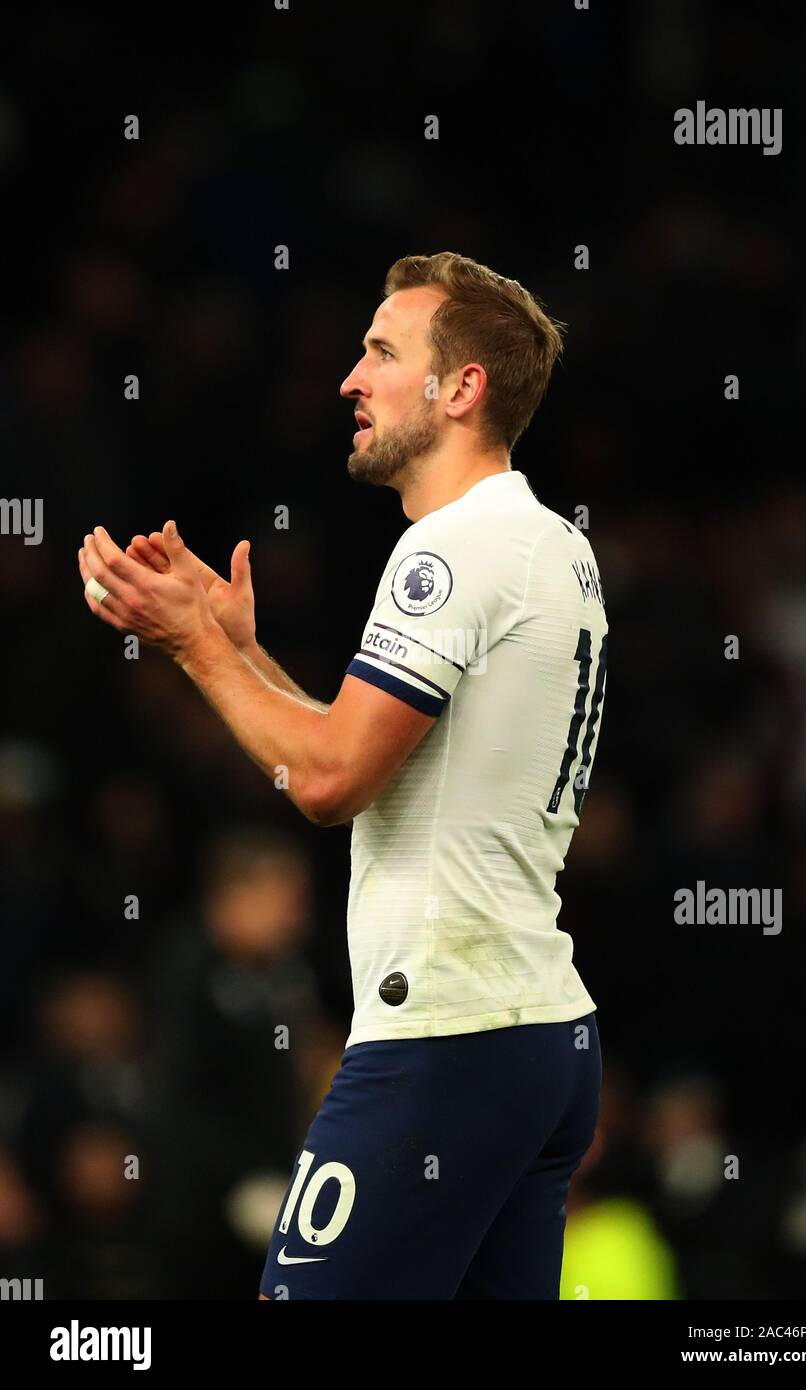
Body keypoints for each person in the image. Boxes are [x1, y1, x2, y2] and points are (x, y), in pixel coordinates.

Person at [77, 251, 609, 1299]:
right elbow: (386, 758)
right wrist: (243, 650)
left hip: (444, 1041)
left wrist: (193, 647)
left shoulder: (449, 550)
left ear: (459, 390)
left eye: (380, 352)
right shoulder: (550, 544)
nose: (348, 379)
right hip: (541, 1039)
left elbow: (326, 782)